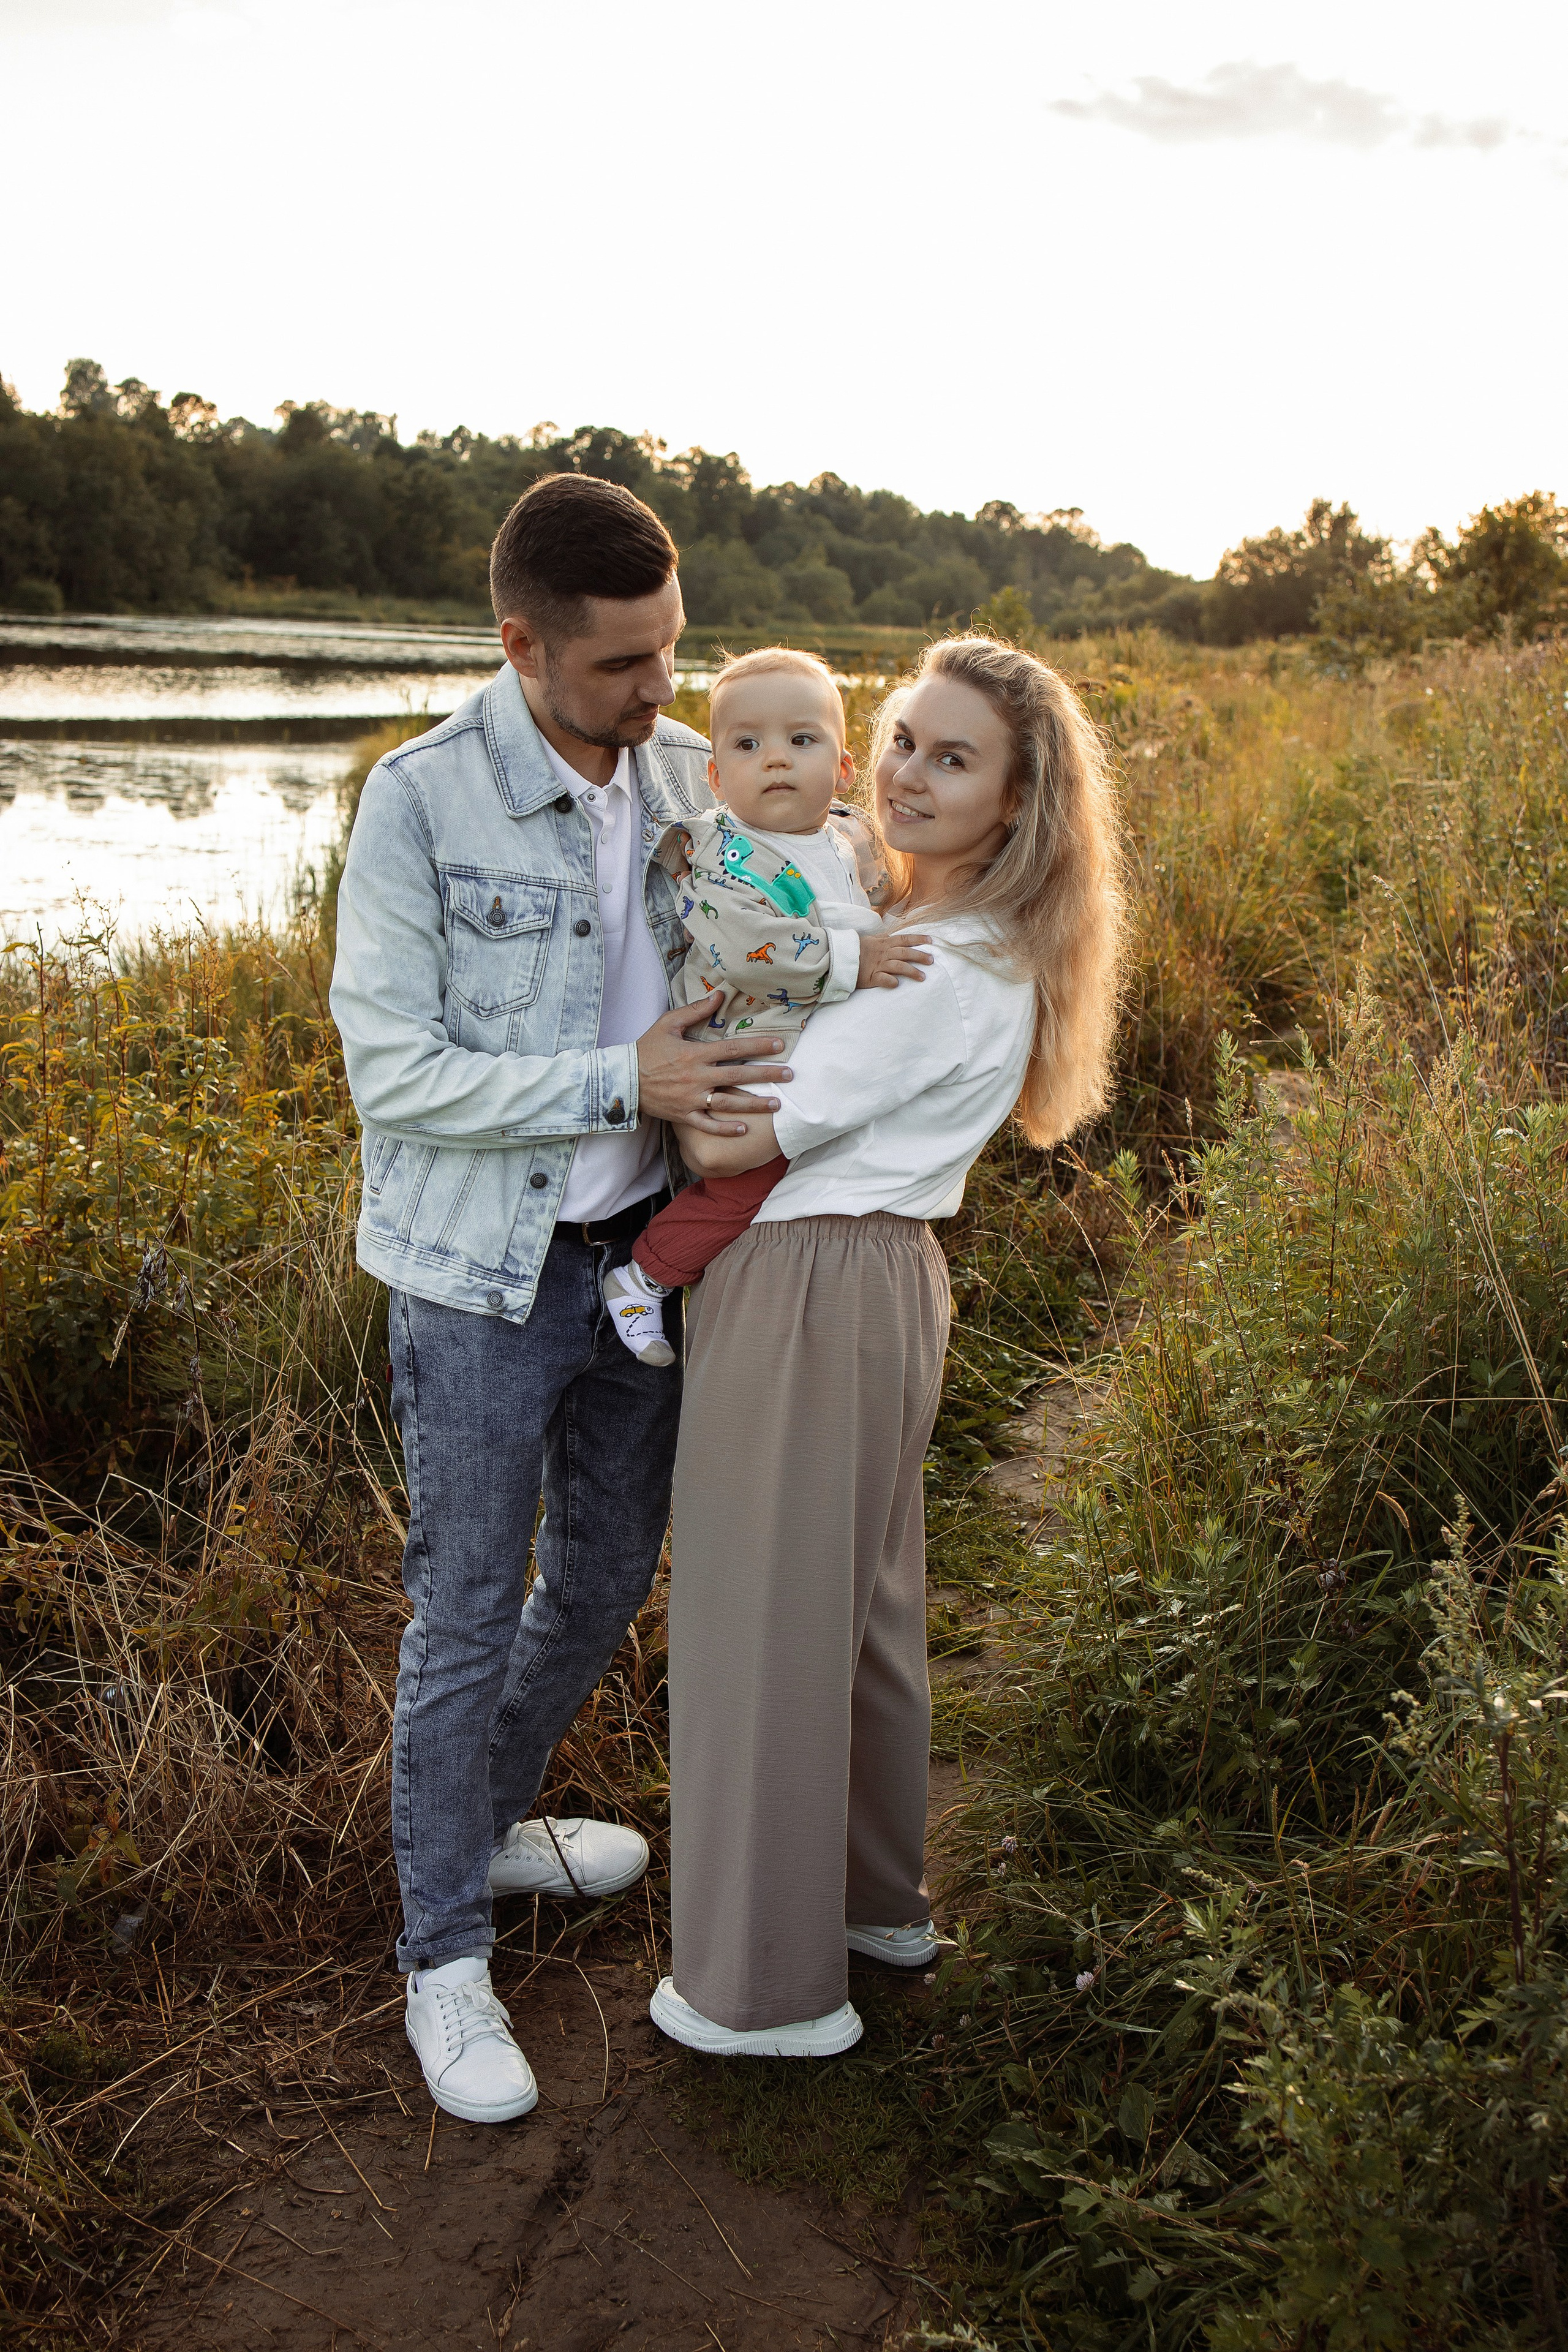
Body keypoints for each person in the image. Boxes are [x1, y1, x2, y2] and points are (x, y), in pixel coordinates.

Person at [329, 473, 796, 2124]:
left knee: (600, 1582)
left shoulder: (691, 771)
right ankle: (440, 1957)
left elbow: (807, 907)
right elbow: (393, 1071)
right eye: (620, 665)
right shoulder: (420, 801)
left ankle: (487, 1819)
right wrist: (628, 1077)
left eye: (673, 649)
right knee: (465, 1607)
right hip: (478, 1275)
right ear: (521, 644)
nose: (661, 690)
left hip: (644, 1273)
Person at [649, 634, 1126, 2056]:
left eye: (953, 756)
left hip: (806, 1277)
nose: (909, 773)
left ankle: (759, 1991)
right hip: (874, 1275)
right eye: (904, 737)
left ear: (1016, 797)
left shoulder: (930, 967)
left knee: (758, 1632)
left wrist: (670, 1073)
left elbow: (731, 1130)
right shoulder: (959, 935)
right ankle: (871, 1900)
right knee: (856, 1614)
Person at [602, 647, 932, 1366]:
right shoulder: (720, 853)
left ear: (844, 768)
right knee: (746, 1178)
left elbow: (887, 902)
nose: (775, 760)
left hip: (804, 1044)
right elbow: (748, 946)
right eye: (748, 745)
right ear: (716, 777)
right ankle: (643, 1275)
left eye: (801, 740)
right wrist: (861, 959)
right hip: (742, 1051)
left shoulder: (849, 837)